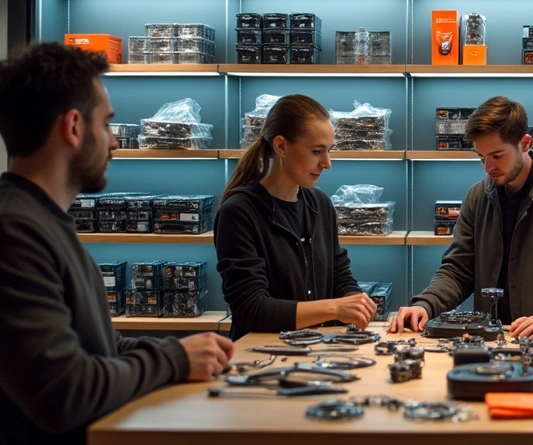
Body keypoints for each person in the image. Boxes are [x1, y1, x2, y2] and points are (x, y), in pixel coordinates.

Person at [0, 43, 233, 445]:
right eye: (106, 124)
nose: (114, 143)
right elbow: (62, 392)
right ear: (73, 127)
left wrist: (188, 351)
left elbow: (91, 344)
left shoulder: (42, 220)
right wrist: (175, 358)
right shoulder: (15, 232)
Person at [388, 96, 533, 340]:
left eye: (497, 156)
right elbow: (457, 271)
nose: (488, 167)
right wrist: (425, 304)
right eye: (481, 157)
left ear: (525, 143)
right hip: (487, 341)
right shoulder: (477, 196)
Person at [215, 94, 376, 340]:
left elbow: (339, 273)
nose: (327, 163)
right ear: (281, 146)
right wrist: (334, 308)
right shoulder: (238, 212)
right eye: (316, 151)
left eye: (329, 151)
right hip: (257, 360)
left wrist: (353, 301)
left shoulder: (320, 203)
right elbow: (251, 309)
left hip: (316, 351)